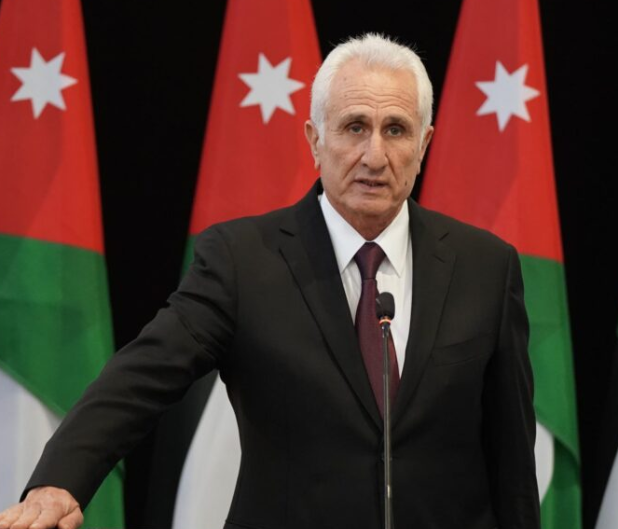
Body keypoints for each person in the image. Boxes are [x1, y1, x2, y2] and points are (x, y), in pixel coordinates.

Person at [0, 34, 540, 529]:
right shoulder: (242, 260)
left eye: (395, 130)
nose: (374, 156)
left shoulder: (486, 267)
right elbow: (141, 376)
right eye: (354, 127)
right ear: (314, 139)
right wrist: (60, 480)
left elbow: (512, 457)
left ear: (423, 144)